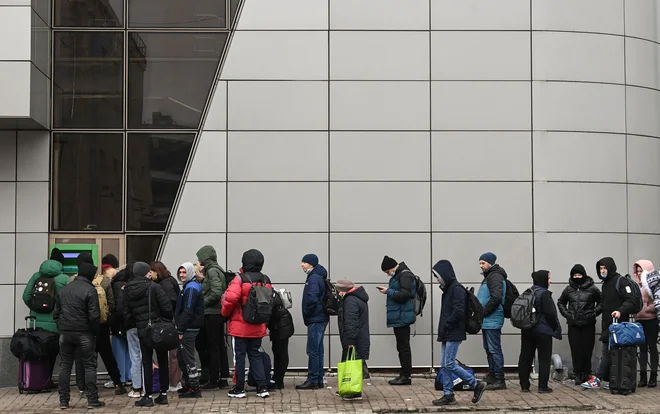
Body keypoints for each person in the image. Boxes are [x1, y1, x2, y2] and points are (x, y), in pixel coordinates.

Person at [53, 255, 105, 409]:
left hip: (65, 333)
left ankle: (63, 401)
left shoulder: (64, 290)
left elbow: (56, 314)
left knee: (65, 367)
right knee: (89, 366)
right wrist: (94, 332)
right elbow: (94, 316)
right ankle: (92, 400)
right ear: (90, 275)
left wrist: (63, 327)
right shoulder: (90, 290)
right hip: (84, 333)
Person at [432, 260, 486, 406]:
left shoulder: (456, 289)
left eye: (437, 276)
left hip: (453, 332)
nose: (437, 280)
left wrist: (447, 325)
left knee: (449, 363)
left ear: (444, 275)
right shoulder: (450, 289)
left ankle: (475, 384)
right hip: (448, 332)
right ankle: (448, 394)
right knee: (445, 364)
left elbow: (459, 311)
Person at [72, 253, 125, 396]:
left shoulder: (72, 281)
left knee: (84, 358)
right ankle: (118, 383)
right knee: (107, 355)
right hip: (101, 325)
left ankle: (84, 387)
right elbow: (112, 304)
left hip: (82, 326)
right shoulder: (105, 281)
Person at [221, 249, 272, 399]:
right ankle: (262, 388)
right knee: (255, 355)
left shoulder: (240, 279)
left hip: (240, 326)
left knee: (240, 357)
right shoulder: (266, 279)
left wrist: (224, 314)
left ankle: (239, 389)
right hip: (258, 325)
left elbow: (230, 299)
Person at [582, 257, 639, 389]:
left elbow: (630, 300)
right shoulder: (605, 283)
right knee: (612, 353)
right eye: (600, 268)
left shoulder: (621, 281)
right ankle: (615, 380)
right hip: (608, 323)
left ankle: (597, 379)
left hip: (618, 325)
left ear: (611, 268)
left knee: (607, 353)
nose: (602, 271)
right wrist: (592, 313)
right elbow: (604, 303)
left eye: (604, 268)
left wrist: (620, 311)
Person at [123, 262, 174, 407]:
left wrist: (139, 321)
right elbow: (167, 307)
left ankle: (148, 395)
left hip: (142, 329)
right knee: (162, 359)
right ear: (147, 272)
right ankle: (163, 394)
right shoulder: (154, 287)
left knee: (146, 360)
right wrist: (163, 320)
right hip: (158, 328)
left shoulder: (127, 289)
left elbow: (125, 312)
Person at [22, 249, 69, 381]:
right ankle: (47, 380)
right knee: (52, 352)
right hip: (55, 323)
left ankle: (37, 380)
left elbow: (26, 296)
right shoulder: (64, 278)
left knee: (38, 352)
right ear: (61, 263)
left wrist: (35, 308)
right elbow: (67, 300)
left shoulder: (36, 276)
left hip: (36, 322)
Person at [518, 270, 562, 393]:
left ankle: (524, 386)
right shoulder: (544, 294)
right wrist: (554, 328)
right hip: (543, 331)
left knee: (525, 357)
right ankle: (542, 386)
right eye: (548, 278)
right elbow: (550, 314)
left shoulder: (528, 292)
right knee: (544, 358)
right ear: (543, 279)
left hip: (527, 329)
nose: (550, 281)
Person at [557, 264, 601, 385]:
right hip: (573, 325)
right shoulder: (568, 289)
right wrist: (568, 315)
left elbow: (601, 302)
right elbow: (561, 302)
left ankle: (586, 374)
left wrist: (593, 313)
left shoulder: (592, 289)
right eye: (575, 275)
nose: (577, 277)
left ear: (584, 275)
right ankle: (577, 374)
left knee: (587, 350)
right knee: (576, 350)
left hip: (588, 324)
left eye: (579, 275)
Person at [194, 245, 230, 389]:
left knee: (213, 347)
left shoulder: (212, 271)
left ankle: (214, 380)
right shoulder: (215, 269)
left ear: (205, 257)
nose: (198, 260)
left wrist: (202, 303)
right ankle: (222, 378)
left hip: (212, 314)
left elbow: (216, 292)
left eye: (200, 257)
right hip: (215, 314)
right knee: (219, 346)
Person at [378, 255, 416, 386]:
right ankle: (404, 374)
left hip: (402, 317)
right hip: (400, 316)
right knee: (402, 346)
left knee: (403, 347)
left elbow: (405, 295)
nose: (388, 275)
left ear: (393, 267)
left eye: (388, 272)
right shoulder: (400, 275)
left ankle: (406, 376)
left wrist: (388, 291)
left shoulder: (405, 276)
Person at [296, 253, 329, 390]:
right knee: (318, 350)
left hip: (315, 318)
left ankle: (313, 379)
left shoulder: (314, 278)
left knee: (313, 350)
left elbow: (312, 298)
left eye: (304, 262)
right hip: (321, 317)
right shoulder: (319, 276)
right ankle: (318, 378)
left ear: (311, 264)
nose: (302, 265)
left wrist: (308, 312)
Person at [476, 252, 507, 390]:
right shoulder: (490, 276)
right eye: (480, 263)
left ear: (491, 263)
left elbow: (496, 298)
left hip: (492, 318)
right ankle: (493, 374)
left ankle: (499, 378)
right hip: (488, 319)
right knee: (489, 348)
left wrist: (483, 312)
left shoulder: (494, 277)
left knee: (494, 349)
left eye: (483, 263)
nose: (481, 266)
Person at [336, 279, 370, 401]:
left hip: (354, 338)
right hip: (357, 337)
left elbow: (351, 321)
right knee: (353, 363)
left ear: (342, 290)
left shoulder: (350, 300)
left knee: (353, 365)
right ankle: (348, 387)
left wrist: (350, 340)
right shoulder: (357, 298)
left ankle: (354, 391)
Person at [151, 261, 183, 392]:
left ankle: (175, 382)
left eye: (152, 272)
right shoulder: (168, 281)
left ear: (157, 272)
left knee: (173, 354)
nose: (150, 274)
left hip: (170, 322)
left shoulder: (165, 284)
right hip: (172, 321)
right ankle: (174, 381)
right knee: (173, 353)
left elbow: (170, 303)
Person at [174, 262, 205, 398]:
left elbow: (188, 309)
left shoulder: (191, 288)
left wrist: (180, 329)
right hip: (188, 326)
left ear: (190, 273)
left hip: (189, 328)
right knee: (182, 356)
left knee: (187, 357)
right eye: (180, 272)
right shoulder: (189, 286)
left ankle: (194, 387)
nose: (182, 275)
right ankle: (189, 384)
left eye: (184, 272)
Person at [116, 262, 144, 398]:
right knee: (146, 356)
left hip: (132, 326)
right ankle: (146, 387)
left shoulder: (126, 288)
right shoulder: (151, 286)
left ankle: (136, 387)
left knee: (135, 356)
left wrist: (126, 321)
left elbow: (123, 309)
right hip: (146, 326)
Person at [633, 260, 658, 387]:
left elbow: (658, 300)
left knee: (652, 347)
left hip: (651, 319)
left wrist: (648, 308)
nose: (638, 273)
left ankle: (653, 376)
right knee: (642, 349)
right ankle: (643, 376)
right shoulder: (635, 285)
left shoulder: (654, 283)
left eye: (641, 270)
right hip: (639, 320)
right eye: (637, 271)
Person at [109, 265, 133, 391]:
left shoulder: (117, 284)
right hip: (124, 322)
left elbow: (117, 306)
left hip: (118, 322)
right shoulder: (124, 284)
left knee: (119, 349)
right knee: (126, 350)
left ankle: (122, 377)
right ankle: (127, 376)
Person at [268, 287, 295, 389]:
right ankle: (278, 379)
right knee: (280, 352)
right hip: (282, 325)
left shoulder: (269, 295)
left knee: (280, 353)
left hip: (281, 326)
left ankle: (278, 380)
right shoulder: (272, 293)